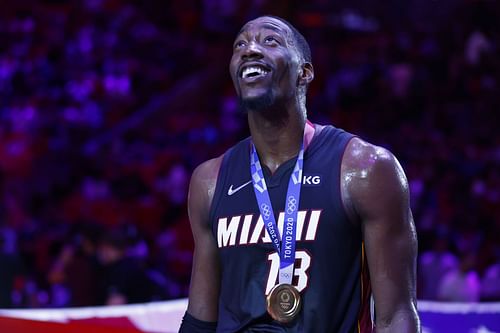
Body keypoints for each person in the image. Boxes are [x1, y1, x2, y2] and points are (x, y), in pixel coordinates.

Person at [180, 15, 420, 332]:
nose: (249, 49)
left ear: (304, 72)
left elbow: (395, 317)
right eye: (240, 44)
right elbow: (200, 320)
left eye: (270, 40)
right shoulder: (209, 181)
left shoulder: (365, 169)